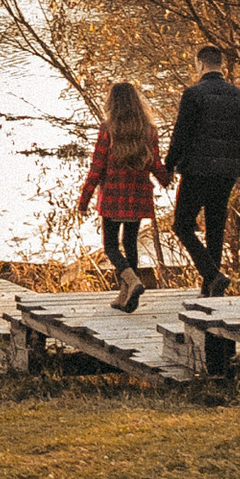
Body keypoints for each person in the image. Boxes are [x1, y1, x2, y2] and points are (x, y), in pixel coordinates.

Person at [164, 46, 240, 294]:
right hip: (226, 172)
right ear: (220, 65)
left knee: (182, 225)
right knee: (215, 229)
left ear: (201, 65)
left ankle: (212, 275)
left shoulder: (194, 95)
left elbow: (181, 135)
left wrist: (169, 165)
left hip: (197, 171)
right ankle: (211, 289)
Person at [77, 79, 166, 311]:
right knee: (130, 244)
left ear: (113, 104)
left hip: (114, 197)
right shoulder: (149, 130)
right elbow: (155, 163)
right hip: (137, 196)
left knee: (111, 248)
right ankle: (126, 297)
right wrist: (166, 178)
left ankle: (132, 282)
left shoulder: (109, 129)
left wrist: (84, 199)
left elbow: (97, 168)